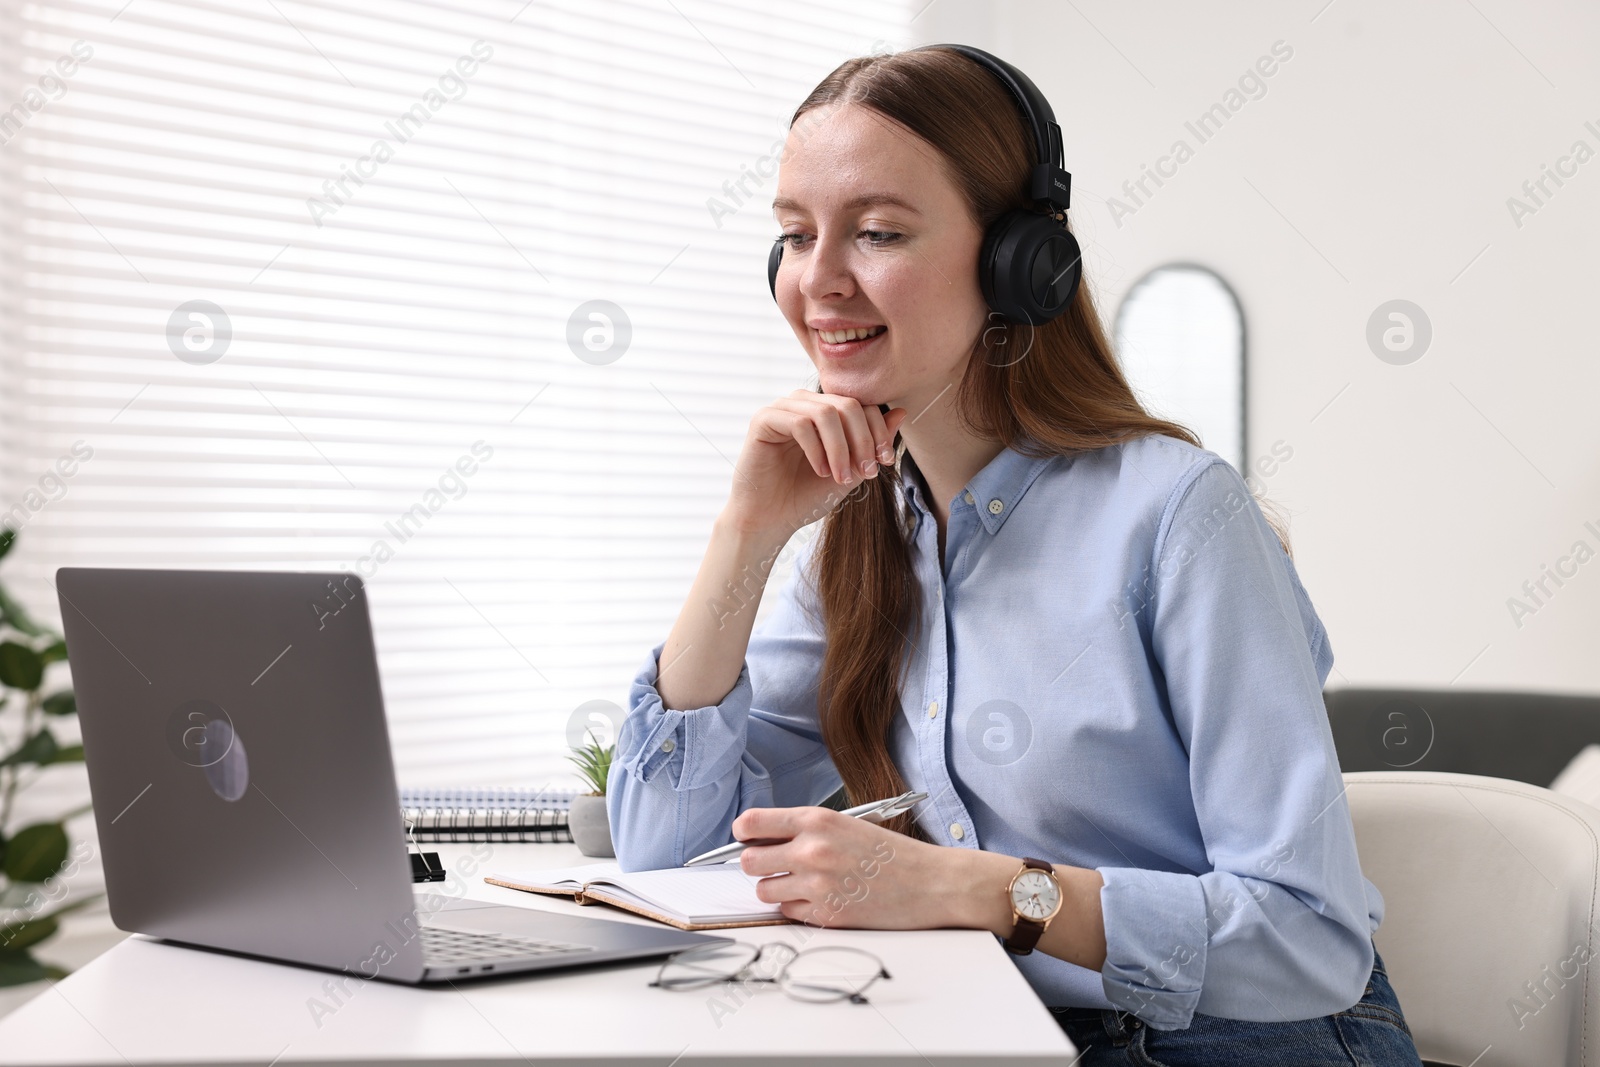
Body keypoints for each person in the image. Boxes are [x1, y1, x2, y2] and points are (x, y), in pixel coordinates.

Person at [606, 43, 1425, 1065]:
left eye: (874, 232)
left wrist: (970, 888)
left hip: (1242, 1040)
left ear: (1018, 263)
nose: (816, 279)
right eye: (793, 235)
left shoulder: (1179, 516)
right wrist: (747, 534)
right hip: (1003, 1031)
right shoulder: (865, 533)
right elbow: (661, 851)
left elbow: (1306, 937)